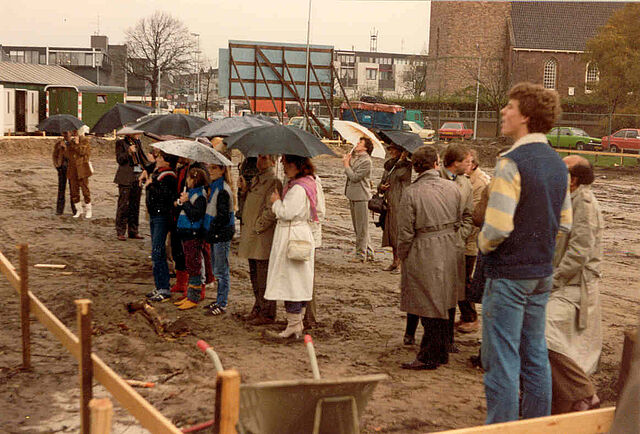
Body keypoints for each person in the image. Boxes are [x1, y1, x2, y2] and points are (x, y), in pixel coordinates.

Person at [478, 82, 572, 423]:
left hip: (508, 276)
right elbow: (565, 223)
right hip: (541, 275)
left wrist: (481, 245)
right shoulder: (559, 164)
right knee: (535, 356)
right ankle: (536, 427)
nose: (503, 111)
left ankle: (501, 430)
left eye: (510, 106)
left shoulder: (510, 163)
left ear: (526, 116)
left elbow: (498, 227)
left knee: (502, 360)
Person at [398, 145, 463, 370]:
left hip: (424, 246)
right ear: (436, 163)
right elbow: (460, 216)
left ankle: (430, 355)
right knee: (443, 299)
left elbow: (405, 231)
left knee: (427, 301)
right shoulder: (452, 187)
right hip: (449, 245)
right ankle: (440, 349)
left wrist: (402, 255)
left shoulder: (412, 192)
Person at [546, 155, 603, 414]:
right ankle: (565, 398)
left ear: (574, 179)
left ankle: (583, 394)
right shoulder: (572, 200)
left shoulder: (585, 205)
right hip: (566, 283)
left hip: (574, 287)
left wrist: (553, 281)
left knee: (544, 333)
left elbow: (579, 252)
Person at [264, 154, 318, 341]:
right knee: (298, 281)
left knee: (292, 282)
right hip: (298, 234)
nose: (284, 167)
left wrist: (276, 202)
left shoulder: (298, 189)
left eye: (287, 164)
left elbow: (287, 213)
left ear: (297, 165)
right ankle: (297, 323)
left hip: (292, 235)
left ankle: (294, 325)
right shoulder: (307, 183)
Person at [237, 154, 283, 325]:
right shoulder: (257, 179)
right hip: (252, 235)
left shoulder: (273, 181)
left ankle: (267, 312)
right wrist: (243, 191)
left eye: (264, 158)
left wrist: (258, 226)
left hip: (262, 237)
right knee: (255, 275)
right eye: (258, 158)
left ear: (272, 161)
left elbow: (271, 210)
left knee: (264, 277)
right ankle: (258, 307)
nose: (259, 162)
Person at [438, 144, 474, 352]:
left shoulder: (465, 184)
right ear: (455, 162)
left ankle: (449, 338)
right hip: (435, 244)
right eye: (466, 161)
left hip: (456, 246)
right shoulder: (435, 178)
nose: (470, 166)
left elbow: (468, 215)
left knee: (453, 292)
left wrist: (459, 237)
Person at [457, 148, 491, 334]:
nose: (464, 165)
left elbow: (475, 215)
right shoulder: (467, 179)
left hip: (469, 241)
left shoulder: (480, 182)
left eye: (467, 162)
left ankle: (470, 317)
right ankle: (466, 316)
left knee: (464, 280)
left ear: (474, 163)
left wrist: (462, 236)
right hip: (465, 238)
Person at [144, 150, 178, 302]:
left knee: (158, 251)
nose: (156, 159)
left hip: (161, 216)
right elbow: (148, 166)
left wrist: (151, 185)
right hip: (155, 214)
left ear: (167, 161)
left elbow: (165, 196)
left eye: (160, 157)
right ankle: (159, 286)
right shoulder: (159, 172)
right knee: (156, 251)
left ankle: (164, 288)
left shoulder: (169, 176)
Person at [202, 163, 236, 316]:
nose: (210, 171)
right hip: (216, 232)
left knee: (221, 271)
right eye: (210, 168)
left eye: (214, 168)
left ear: (222, 170)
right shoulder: (215, 187)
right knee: (218, 268)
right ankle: (219, 300)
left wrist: (213, 230)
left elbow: (222, 216)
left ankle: (222, 303)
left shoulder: (222, 189)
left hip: (220, 234)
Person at [173, 167, 209, 310]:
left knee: (195, 266)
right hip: (185, 233)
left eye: (188, 178)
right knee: (190, 265)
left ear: (194, 180)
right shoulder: (190, 193)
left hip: (193, 234)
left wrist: (186, 203)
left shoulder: (200, 196)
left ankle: (194, 296)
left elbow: (195, 215)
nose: (186, 181)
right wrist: (181, 202)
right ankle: (190, 294)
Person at [378, 145, 412, 272]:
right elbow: (382, 180)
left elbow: (402, 177)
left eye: (393, 149)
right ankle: (394, 261)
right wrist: (381, 187)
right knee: (390, 234)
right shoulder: (388, 165)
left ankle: (401, 263)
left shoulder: (407, 166)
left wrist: (400, 162)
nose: (391, 152)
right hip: (389, 202)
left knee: (398, 233)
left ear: (401, 151)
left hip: (400, 202)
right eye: (390, 150)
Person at [114, 133, 150, 240]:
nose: (138, 134)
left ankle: (133, 230)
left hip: (137, 177)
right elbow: (120, 160)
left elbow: (142, 159)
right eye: (136, 133)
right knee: (123, 205)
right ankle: (120, 231)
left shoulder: (138, 143)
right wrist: (128, 152)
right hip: (125, 178)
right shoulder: (121, 143)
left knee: (135, 205)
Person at [343, 137, 374, 262]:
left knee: (361, 228)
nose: (357, 144)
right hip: (353, 195)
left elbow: (354, 177)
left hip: (361, 196)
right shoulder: (358, 159)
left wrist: (346, 165)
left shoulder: (367, 161)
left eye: (360, 143)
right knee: (359, 226)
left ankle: (361, 255)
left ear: (365, 147)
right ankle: (369, 252)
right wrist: (348, 162)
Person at [304, 173, 326, 329]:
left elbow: (319, 211)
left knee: (307, 276)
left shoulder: (313, 181)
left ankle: (310, 317)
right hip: (298, 234)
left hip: (308, 235)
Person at [67, 130, 93, 219]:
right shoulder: (70, 143)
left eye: (76, 132)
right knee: (74, 191)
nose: (75, 135)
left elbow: (83, 152)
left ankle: (88, 209)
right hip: (72, 170)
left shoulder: (85, 141)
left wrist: (77, 144)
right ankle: (79, 210)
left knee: (85, 191)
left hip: (83, 170)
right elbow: (68, 156)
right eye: (73, 133)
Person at [52, 131, 77, 216]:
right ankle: (59, 210)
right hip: (62, 169)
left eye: (66, 133)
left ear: (71, 133)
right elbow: (54, 155)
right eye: (63, 133)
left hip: (72, 169)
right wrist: (57, 166)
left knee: (73, 190)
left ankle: (75, 210)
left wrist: (65, 149)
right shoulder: (59, 144)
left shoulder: (74, 144)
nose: (65, 135)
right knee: (61, 190)